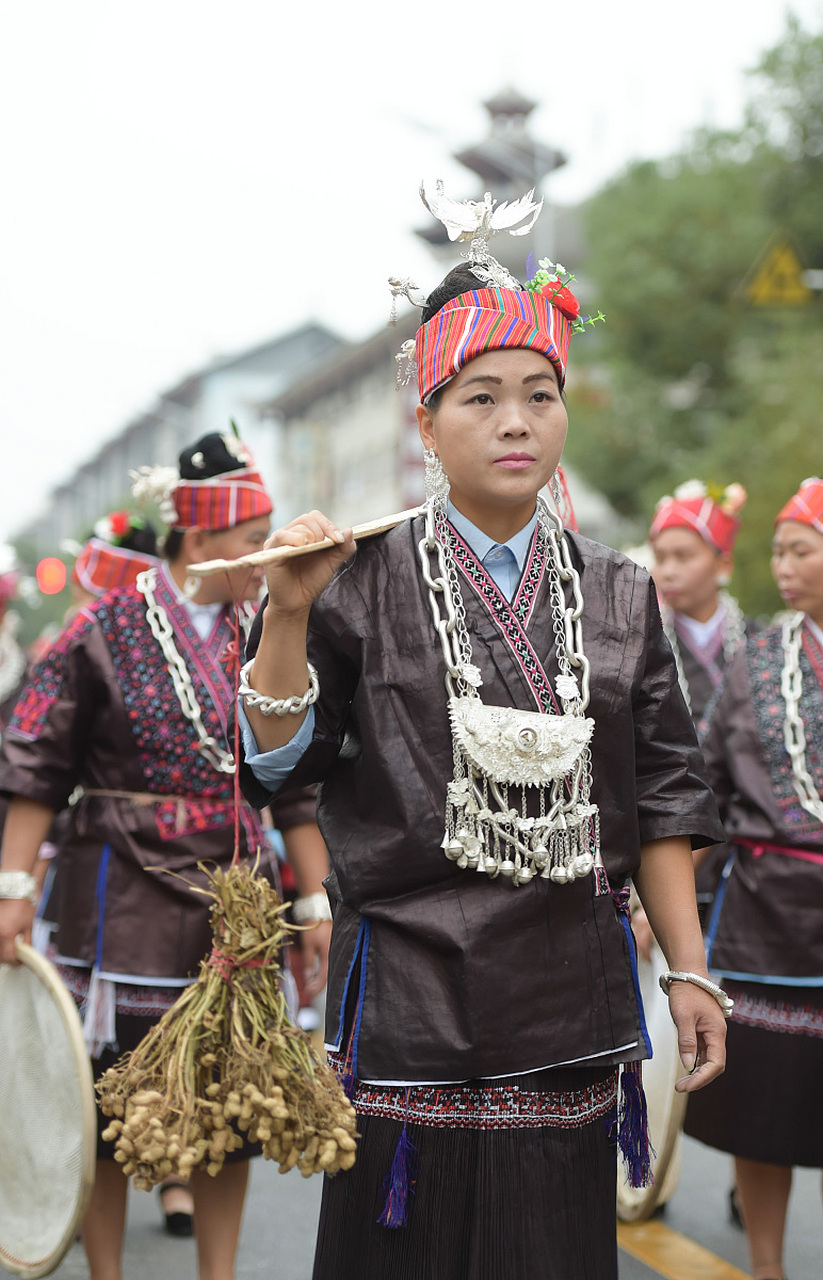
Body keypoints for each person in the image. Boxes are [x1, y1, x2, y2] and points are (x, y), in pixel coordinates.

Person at [235, 188, 729, 1280]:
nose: (517, 421)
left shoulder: (619, 593)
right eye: (481, 396)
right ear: (426, 422)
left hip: (568, 1001)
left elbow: (660, 800)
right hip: (408, 990)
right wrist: (283, 609)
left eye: (540, 394)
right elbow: (278, 763)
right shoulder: (354, 578)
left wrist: (689, 971)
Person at [0, 431, 330, 1280]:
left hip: (239, 901)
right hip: (121, 895)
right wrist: (9, 890)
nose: (265, 557)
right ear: (199, 539)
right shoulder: (98, 630)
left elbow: (291, 782)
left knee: (234, 1104)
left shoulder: (273, 631)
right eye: (250, 538)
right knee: (108, 1112)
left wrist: (318, 901)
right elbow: (36, 764)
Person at [685, 475, 823, 1280]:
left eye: (799, 548)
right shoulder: (756, 657)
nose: (782, 565)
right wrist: (653, 898)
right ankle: (765, 1267)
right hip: (764, 920)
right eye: (775, 550)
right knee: (761, 1113)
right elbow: (704, 789)